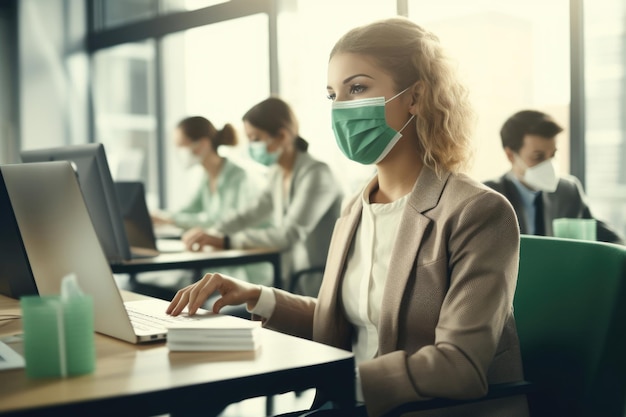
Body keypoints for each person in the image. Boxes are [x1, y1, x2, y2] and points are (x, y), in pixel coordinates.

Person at [168, 17, 528, 417]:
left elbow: (459, 367)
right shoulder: (356, 206)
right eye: (332, 95)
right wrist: (258, 296)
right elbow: (348, 321)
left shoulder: (477, 211)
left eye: (357, 88)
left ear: (417, 97)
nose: (341, 108)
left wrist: (343, 381)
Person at [181, 97, 344, 294]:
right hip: (288, 282)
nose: (251, 146)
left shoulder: (317, 174)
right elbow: (249, 213)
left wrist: (225, 240)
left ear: (282, 136)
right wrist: (213, 233)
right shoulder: (277, 173)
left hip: (318, 286)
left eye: (255, 139)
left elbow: (288, 234)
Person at [485, 110, 624, 244]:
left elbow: (611, 239)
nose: (548, 164)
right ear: (510, 155)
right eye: (538, 156)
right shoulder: (488, 196)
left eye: (553, 155)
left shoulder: (568, 191)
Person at [151, 116, 263, 231]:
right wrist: (162, 216)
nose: (179, 152)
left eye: (182, 146)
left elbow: (220, 221)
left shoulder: (239, 176)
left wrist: (171, 220)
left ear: (203, 144)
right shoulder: (206, 176)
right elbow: (190, 208)